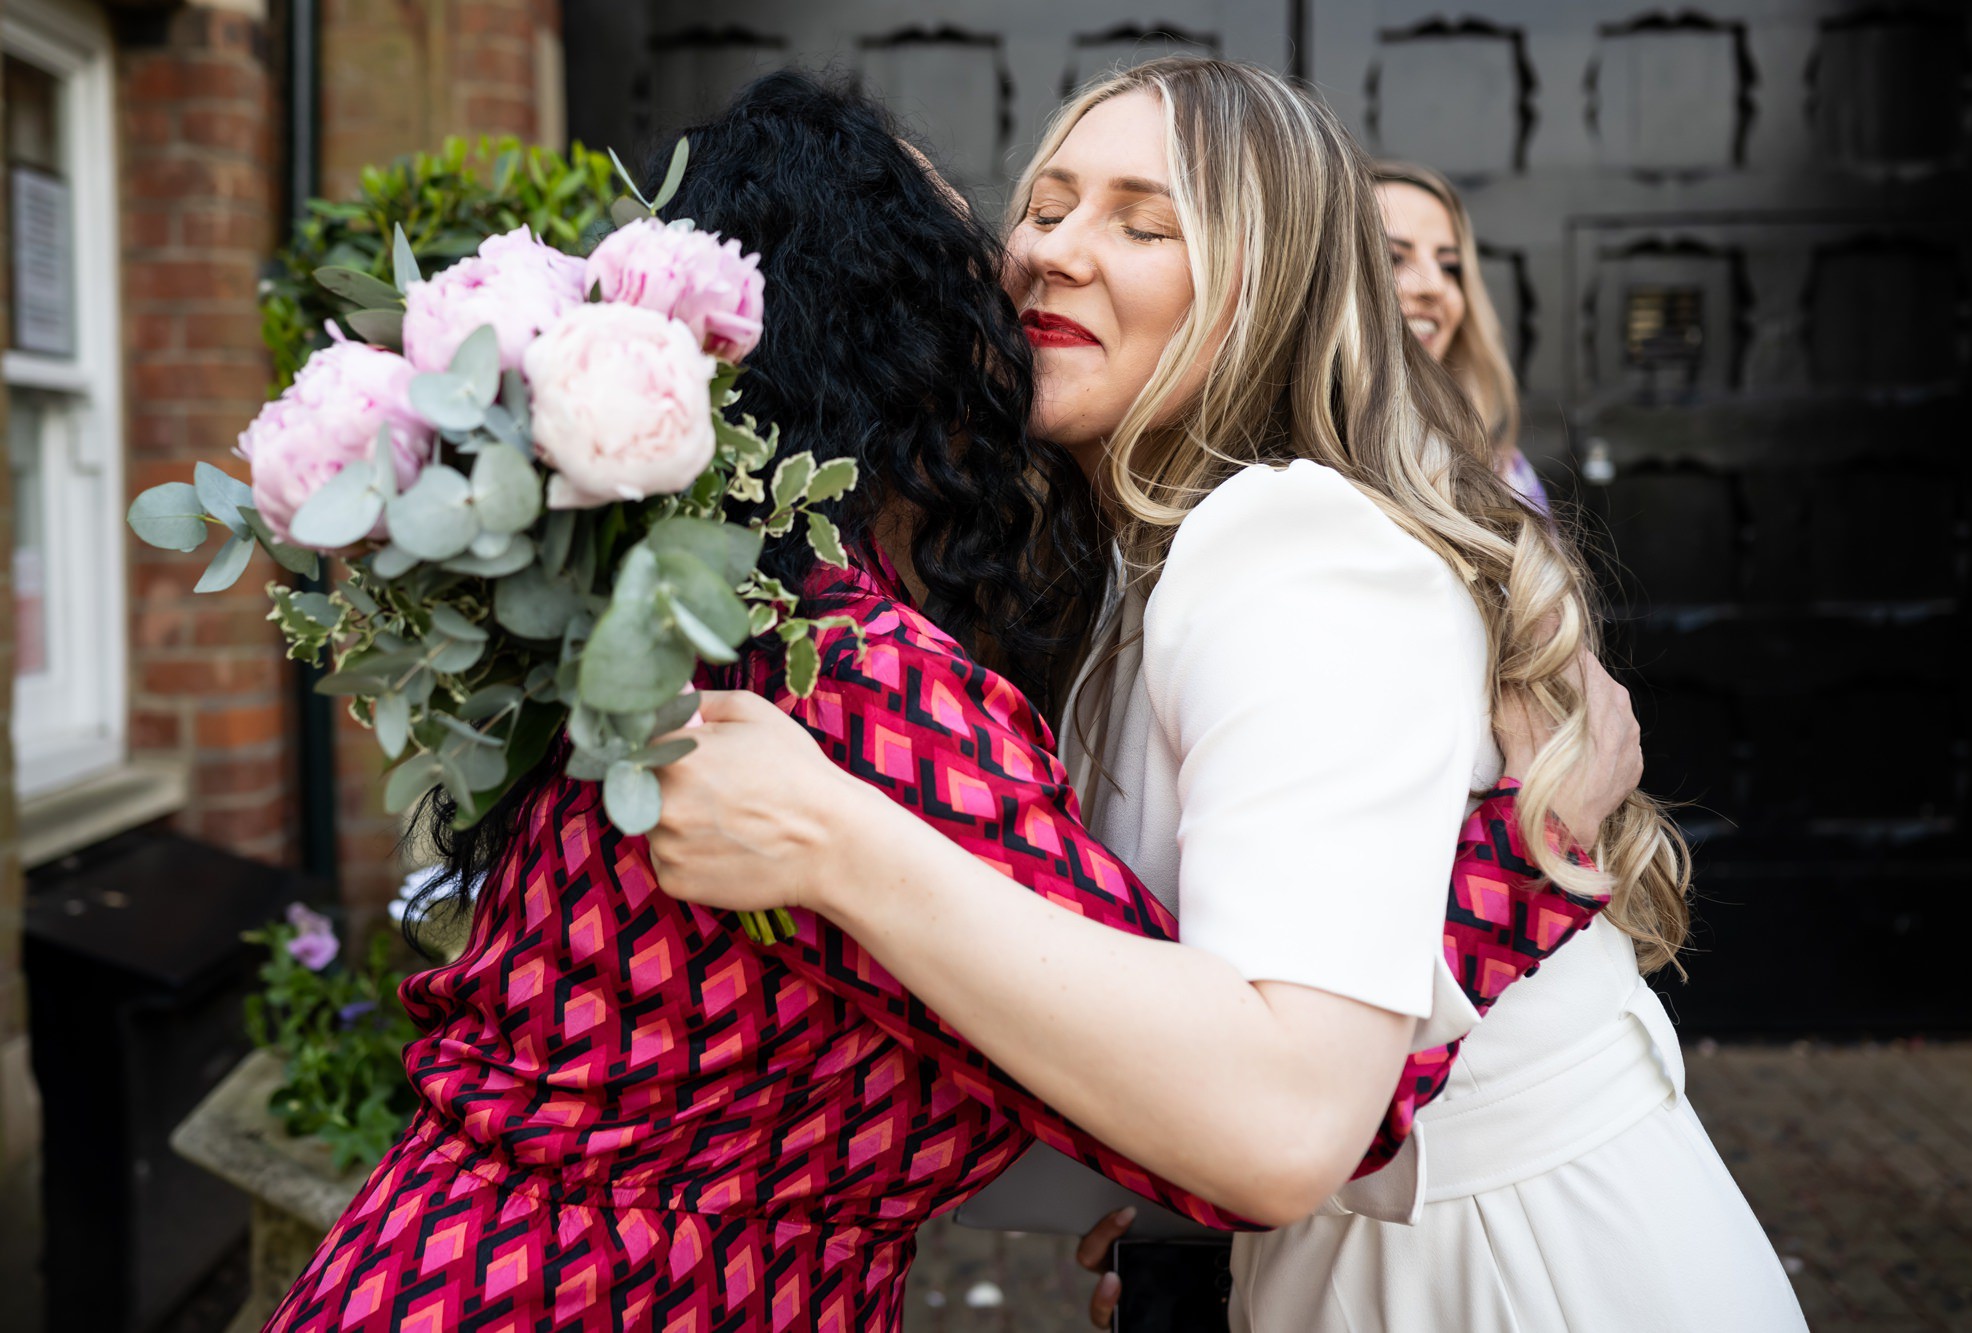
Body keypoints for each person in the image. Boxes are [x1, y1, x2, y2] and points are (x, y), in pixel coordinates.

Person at [263, 72, 1617, 1333]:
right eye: (979, 244)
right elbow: (1240, 1116)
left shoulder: (685, 621)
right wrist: (1533, 856)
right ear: (892, 319)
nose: (1018, 274)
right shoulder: (839, 680)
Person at [643, 59, 1808, 1332]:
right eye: (1042, 208)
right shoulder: (1126, 573)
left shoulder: (1290, 541)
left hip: (1510, 1276)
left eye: (1144, 225)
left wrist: (830, 838)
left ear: (1276, 297)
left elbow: (1284, 1113)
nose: (1050, 255)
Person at [1373, 159, 1549, 513]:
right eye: (1393, 257)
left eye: (1450, 265)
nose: (1436, 286)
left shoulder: (1501, 468)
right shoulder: (1278, 476)